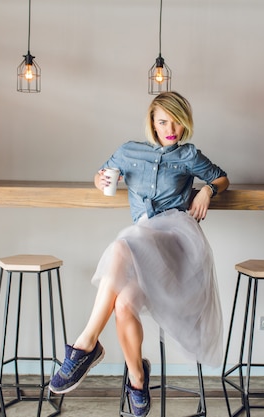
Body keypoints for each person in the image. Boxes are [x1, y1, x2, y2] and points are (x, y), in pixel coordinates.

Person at [49, 91, 229, 417]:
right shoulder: (128, 151)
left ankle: (85, 345)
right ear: (153, 123)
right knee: (123, 303)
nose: (170, 127)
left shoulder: (188, 155)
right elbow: (101, 174)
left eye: (176, 121)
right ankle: (137, 379)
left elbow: (220, 177)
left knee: (121, 243)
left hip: (175, 246)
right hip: (140, 248)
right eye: (163, 121)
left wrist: (207, 189)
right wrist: (98, 178)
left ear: (185, 121)